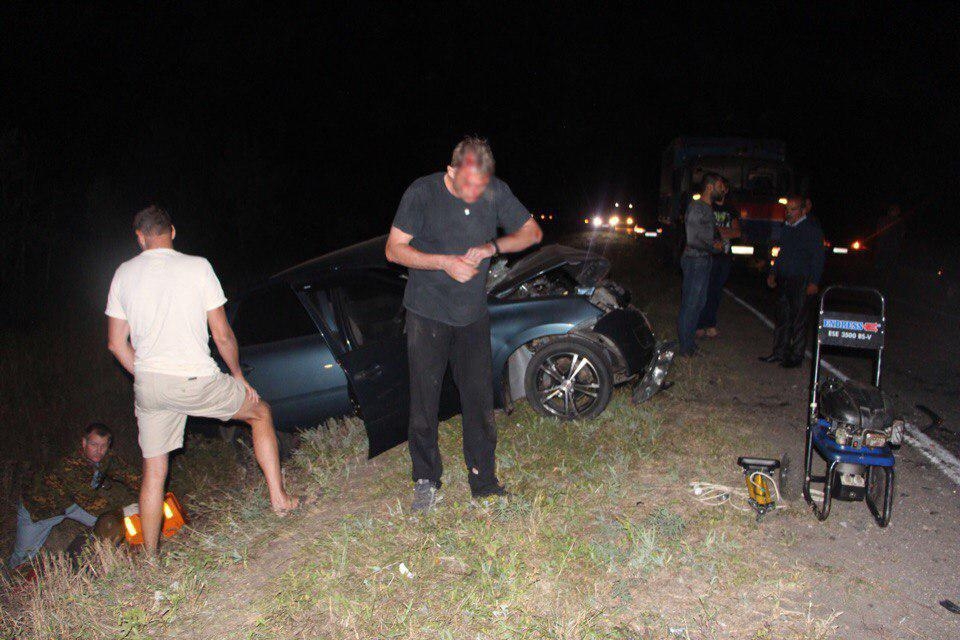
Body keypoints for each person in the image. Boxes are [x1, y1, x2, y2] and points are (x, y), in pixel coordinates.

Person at [105, 205, 300, 557]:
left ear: (139, 237)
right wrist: (238, 376)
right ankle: (280, 499)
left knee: (154, 470)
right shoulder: (198, 267)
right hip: (196, 379)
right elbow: (222, 335)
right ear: (173, 232)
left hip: (150, 386)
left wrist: (148, 374)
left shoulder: (123, 274)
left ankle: (150, 558)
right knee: (261, 413)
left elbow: (116, 344)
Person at [385, 136, 543, 513]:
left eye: (481, 185)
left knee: (479, 401)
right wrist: (444, 262)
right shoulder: (422, 194)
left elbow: (532, 233)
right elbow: (393, 249)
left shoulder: (494, 190)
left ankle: (484, 481)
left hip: (472, 315)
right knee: (425, 402)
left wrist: (493, 247)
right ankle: (426, 480)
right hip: (427, 313)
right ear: (451, 171)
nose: (474, 194)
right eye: (467, 185)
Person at [8, 423, 140, 569]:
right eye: (93, 444)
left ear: (109, 445)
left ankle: (118, 556)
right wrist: (122, 511)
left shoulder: (107, 456)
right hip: (40, 510)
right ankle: (14, 585)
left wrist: (150, 493)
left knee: (110, 525)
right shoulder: (68, 466)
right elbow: (92, 503)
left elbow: (131, 475)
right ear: (84, 443)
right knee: (22, 558)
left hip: (72, 504)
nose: (99, 450)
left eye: (103, 446)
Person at [759, 196, 825, 368]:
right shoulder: (787, 228)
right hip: (784, 278)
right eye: (787, 209)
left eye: (793, 209)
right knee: (782, 317)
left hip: (801, 280)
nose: (788, 212)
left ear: (803, 211)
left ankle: (796, 356)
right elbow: (780, 254)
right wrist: (773, 273)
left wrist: (814, 282)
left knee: (799, 320)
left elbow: (818, 257)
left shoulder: (811, 229)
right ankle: (779, 352)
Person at [677, 173, 724, 356]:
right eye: (720, 186)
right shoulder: (697, 208)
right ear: (710, 187)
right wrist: (714, 246)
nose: (723, 190)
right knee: (690, 303)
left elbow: (706, 235)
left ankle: (689, 343)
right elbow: (694, 238)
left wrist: (716, 245)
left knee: (699, 302)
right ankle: (685, 347)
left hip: (703, 259)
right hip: (695, 260)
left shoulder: (707, 208)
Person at [696, 177, 740, 338]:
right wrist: (720, 232)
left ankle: (710, 323)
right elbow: (704, 230)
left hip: (725, 256)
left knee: (716, 291)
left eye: (723, 187)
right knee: (704, 290)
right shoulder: (709, 206)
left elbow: (737, 232)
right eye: (719, 186)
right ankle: (699, 324)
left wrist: (718, 231)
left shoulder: (731, 209)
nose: (721, 190)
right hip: (709, 255)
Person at [874, 203, 905, 272]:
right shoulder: (883, 220)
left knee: (892, 260)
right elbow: (879, 231)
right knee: (882, 259)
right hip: (884, 242)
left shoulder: (899, 221)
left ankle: (892, 269)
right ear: (890, 211)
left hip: (894, 243)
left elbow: (902, 232)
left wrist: (899, 239)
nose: (896, 212)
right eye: (894, 211)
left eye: (897, 211)